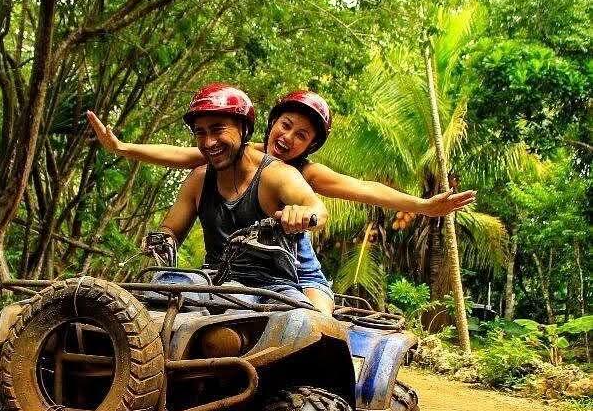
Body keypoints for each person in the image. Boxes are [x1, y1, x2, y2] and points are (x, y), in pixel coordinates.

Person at [87, 89, 476, 312]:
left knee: (314, 328)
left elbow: (362, 189)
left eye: (301, 135)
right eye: (286, 125)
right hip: (227, 272)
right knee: (164, 294)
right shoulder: (228, 153)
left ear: (310, 146)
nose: (288, 138)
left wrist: (423, 206)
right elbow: (182, 154)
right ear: (269, 124)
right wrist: (122, 148)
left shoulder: (301, 174)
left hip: (294, 273)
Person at [148, 83, 327, 305]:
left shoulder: (278, 174)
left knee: (302, 318)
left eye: (218, 130)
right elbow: (171, 229)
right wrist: (162, 240)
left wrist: (303, 214)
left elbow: (318, 209)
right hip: (212, 281)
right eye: (200, 133)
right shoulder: (198, 179)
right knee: (163, 285)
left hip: (272, 288)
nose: (208, 142)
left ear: (244, 129)